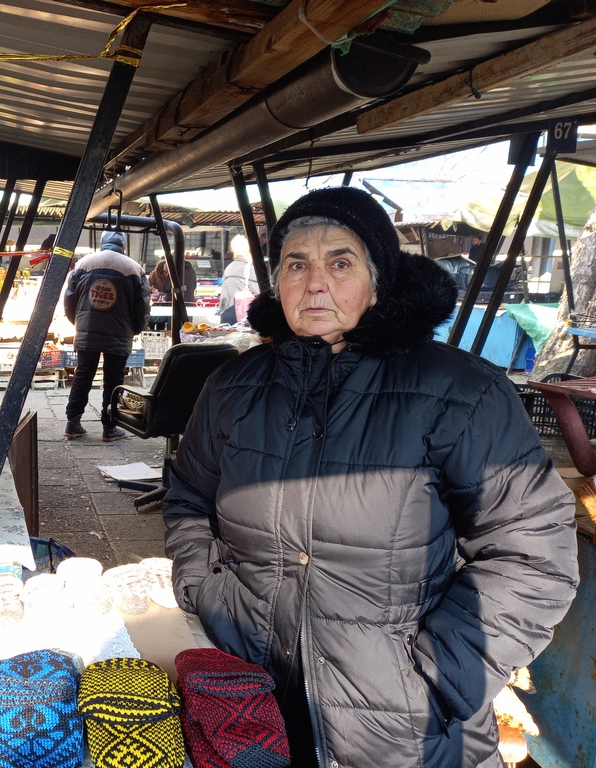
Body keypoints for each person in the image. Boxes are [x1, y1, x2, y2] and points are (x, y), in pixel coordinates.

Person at [163, 187, 578, 767]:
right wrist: (210, 596)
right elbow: (187, 499)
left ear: (378, 279)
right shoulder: (234, 387)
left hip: (407, 735)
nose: (315, 284)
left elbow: (533, 557)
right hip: (257, 711)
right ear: (276, 281)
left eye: (340, 262)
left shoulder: (461, 392)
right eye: (296, 264)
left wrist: (431, 680)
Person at [63, 230, 150, 441]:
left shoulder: (84, 264)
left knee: (83, 376)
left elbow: (69, 301)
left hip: (87, 331)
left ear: (103, 243)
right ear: (123, 245)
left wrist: (79, 323)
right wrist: (134, 329)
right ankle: (110, 428)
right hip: (119, 333)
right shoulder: (133, 268)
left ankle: (73, 424)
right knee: (114, 380)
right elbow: (143, 307)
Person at [217, 233, 260, 325]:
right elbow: (261, 293)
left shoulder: (229, 267)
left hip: (225, 313)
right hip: (242, 317)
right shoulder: (250, 268)